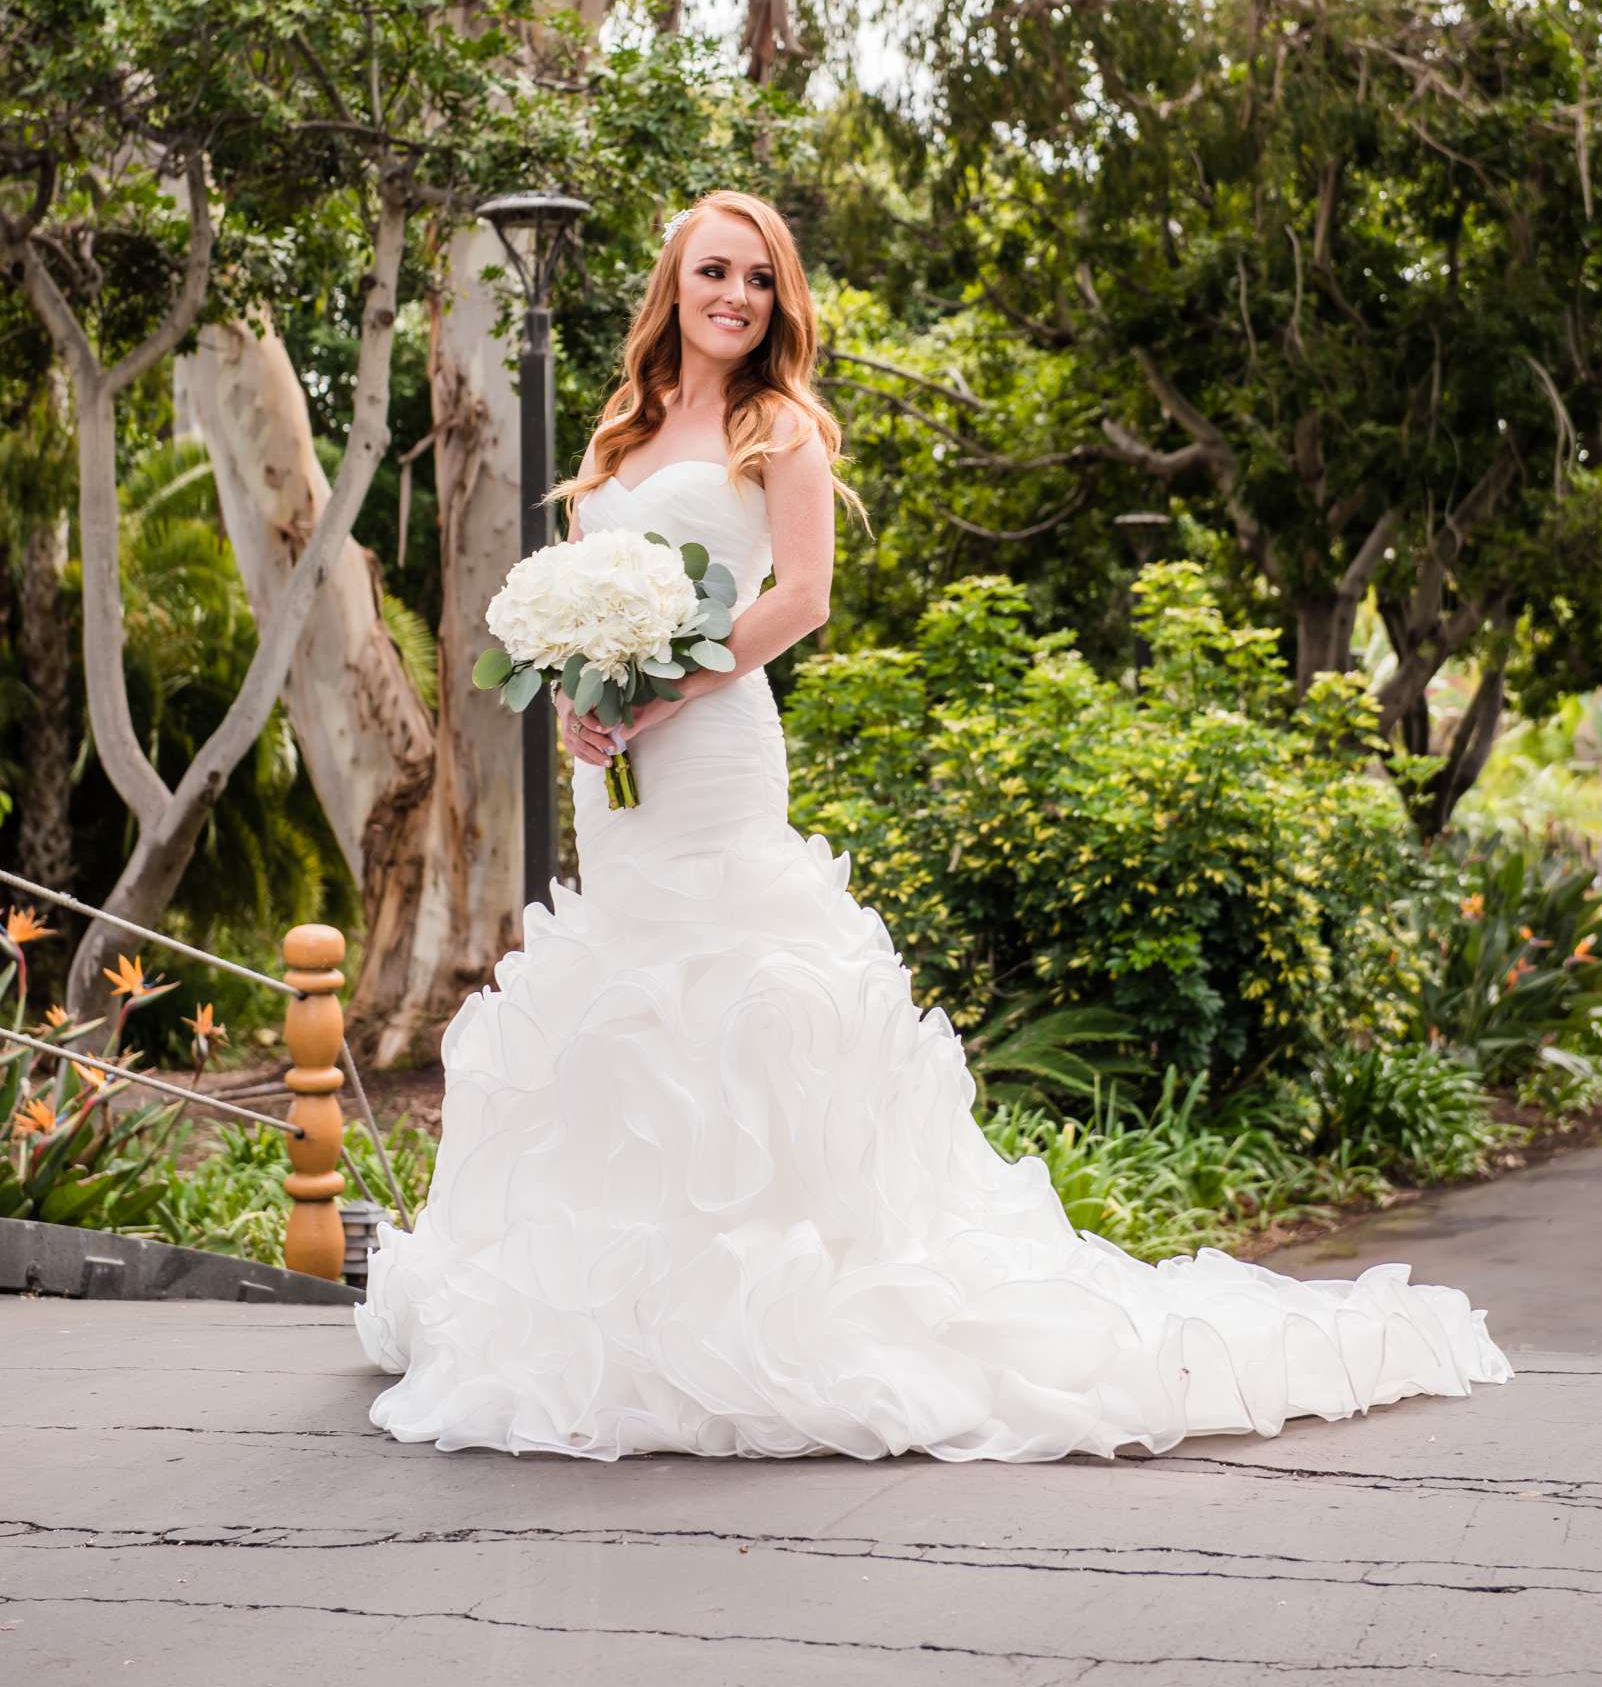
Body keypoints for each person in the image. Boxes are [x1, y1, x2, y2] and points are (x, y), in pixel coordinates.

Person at [353, 189, 1513, 1460]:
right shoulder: (620, 434)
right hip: (619, 772)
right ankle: (623, 1317)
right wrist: (584, 704)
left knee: (737, 1000)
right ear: (673, 288)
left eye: (758, 278)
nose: (734, 295)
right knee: (626, 1007)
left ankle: (772, 1309)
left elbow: (800, 601)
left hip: (717, 750)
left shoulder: (777, 429)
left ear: (779, 302)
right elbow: (584, 604)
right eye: (713, 273)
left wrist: (662, 691)